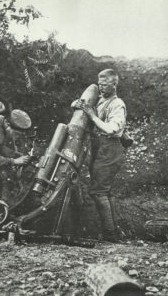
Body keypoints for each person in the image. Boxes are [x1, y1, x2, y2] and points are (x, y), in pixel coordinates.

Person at [72, 69, 126, 242]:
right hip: (99, 148)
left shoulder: (117, 104)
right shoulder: (101, 99)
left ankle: (110, 234)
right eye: (100, 84)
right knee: (103, 191)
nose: (101, 88)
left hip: (110, 148)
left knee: (98, 192)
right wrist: (79, 105)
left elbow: (111, 129)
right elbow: (77, 104)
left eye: (105, 84)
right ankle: (113, 230)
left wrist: (92, 115)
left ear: (114, 84)